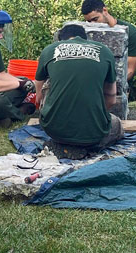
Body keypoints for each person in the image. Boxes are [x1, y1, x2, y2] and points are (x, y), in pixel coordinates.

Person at [35, 24, 124, 157]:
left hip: (54, 129)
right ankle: (90, 147)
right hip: (94, 133)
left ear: (61, 40)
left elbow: (38, 97)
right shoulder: (104, 51)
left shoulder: (49, 50)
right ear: (85, 39)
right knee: (117, 124)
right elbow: (111, 99)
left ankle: (64, 145)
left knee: (49, 84)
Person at [81, 0, 136, 81]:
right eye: (89, 22)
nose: (93, 24)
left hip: (118, 88)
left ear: (105, 11)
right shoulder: (86, 33)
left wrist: (112, 86)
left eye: (95, 19)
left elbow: (129, 70)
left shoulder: (131, 33)